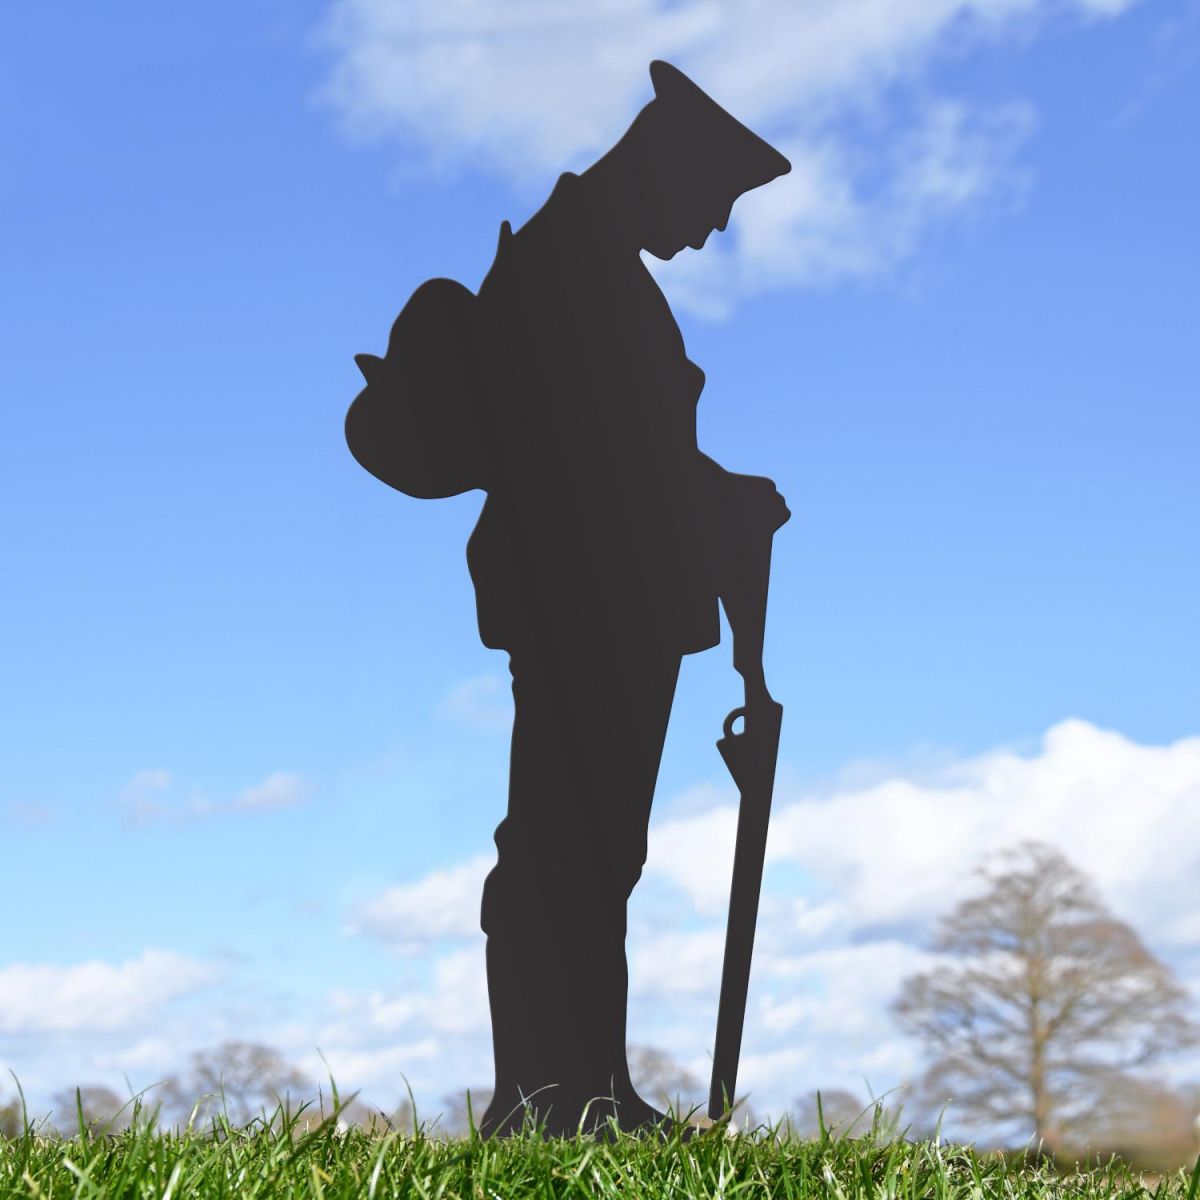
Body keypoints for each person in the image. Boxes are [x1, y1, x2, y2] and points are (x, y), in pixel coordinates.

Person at [347, 60, 791, 1138]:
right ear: (665, 165)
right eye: (718, 197)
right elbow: (601, 462)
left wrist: (720, 499)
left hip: (608, 601)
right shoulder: (573, 271)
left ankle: (584, 1086)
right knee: (565, 847)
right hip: (585, 602)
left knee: (594, 849)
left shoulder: (583, 265)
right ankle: (552, 1098)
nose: (719, 226)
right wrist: (723, 498)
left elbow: (616, 453)